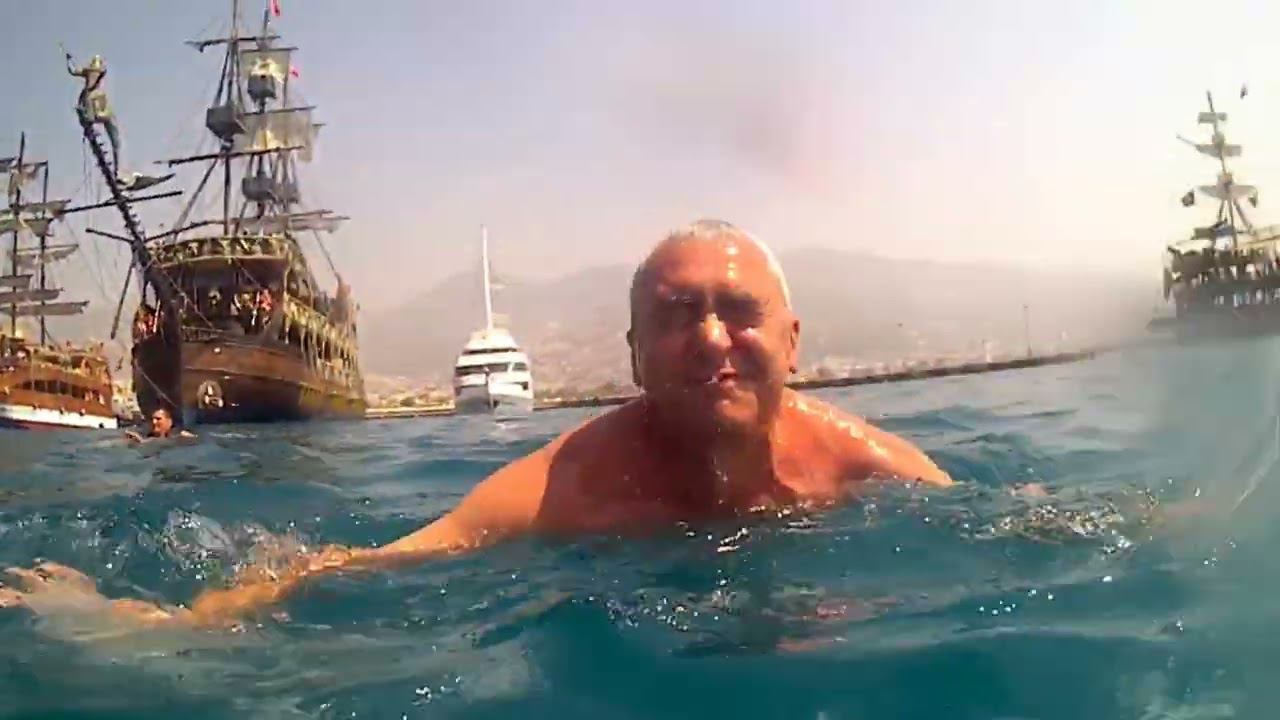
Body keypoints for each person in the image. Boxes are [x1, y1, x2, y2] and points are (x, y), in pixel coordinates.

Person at [1, 219, 949, 626]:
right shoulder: (572, 486)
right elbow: (389, 560)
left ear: (791, 341)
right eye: (675, 316)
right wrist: (160, 622)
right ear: (633, 356)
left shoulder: (862, 465)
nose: (710, 339)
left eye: (738, 312)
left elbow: (1000, 527)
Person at [124, 407, 195, 444]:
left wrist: (140, 440)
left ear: (169, 422)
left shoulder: (179, 435)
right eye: (153, 419)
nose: (154, 422)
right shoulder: (149, 436)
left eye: (158, 419)